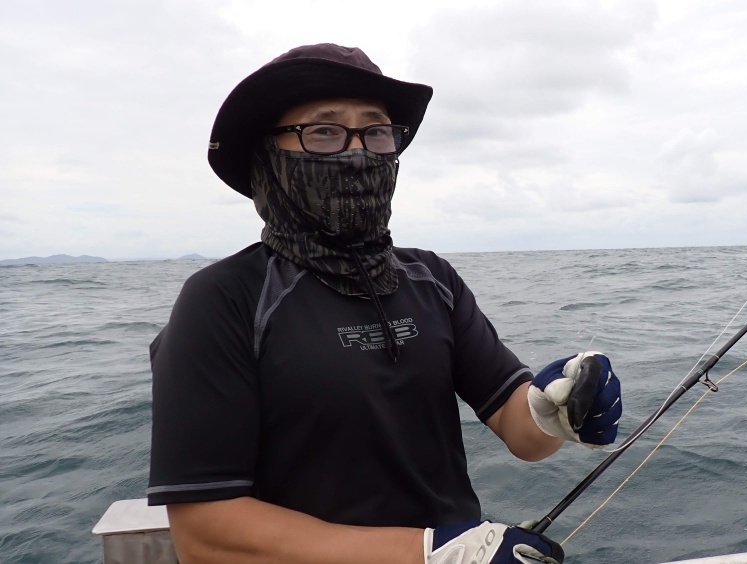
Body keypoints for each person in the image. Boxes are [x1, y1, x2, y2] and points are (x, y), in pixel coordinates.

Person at [147, 43, 623, 564]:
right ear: (268, 157)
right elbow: (204, 534)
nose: (358, 152)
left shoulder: (432, 278)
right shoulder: (222, 298)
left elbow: (520, 432)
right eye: (324, 131)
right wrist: (427, 553)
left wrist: (553, 412)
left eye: (376, 132)